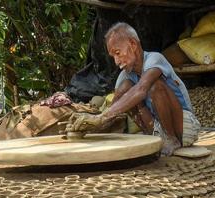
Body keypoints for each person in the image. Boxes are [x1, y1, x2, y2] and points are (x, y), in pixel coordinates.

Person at [67, 22, 201, 155]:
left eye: (118, 53)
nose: (116, 61)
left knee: (154, 86)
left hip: (184, 127)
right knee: (125, 90)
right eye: (113, 56)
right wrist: (89, 127)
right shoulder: (125, 76)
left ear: (133, 44)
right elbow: (114, 110)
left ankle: (172, 139)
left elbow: (141, 90)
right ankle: (159, 138)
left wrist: (101, 117)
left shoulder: (155, 59)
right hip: (158, 129)